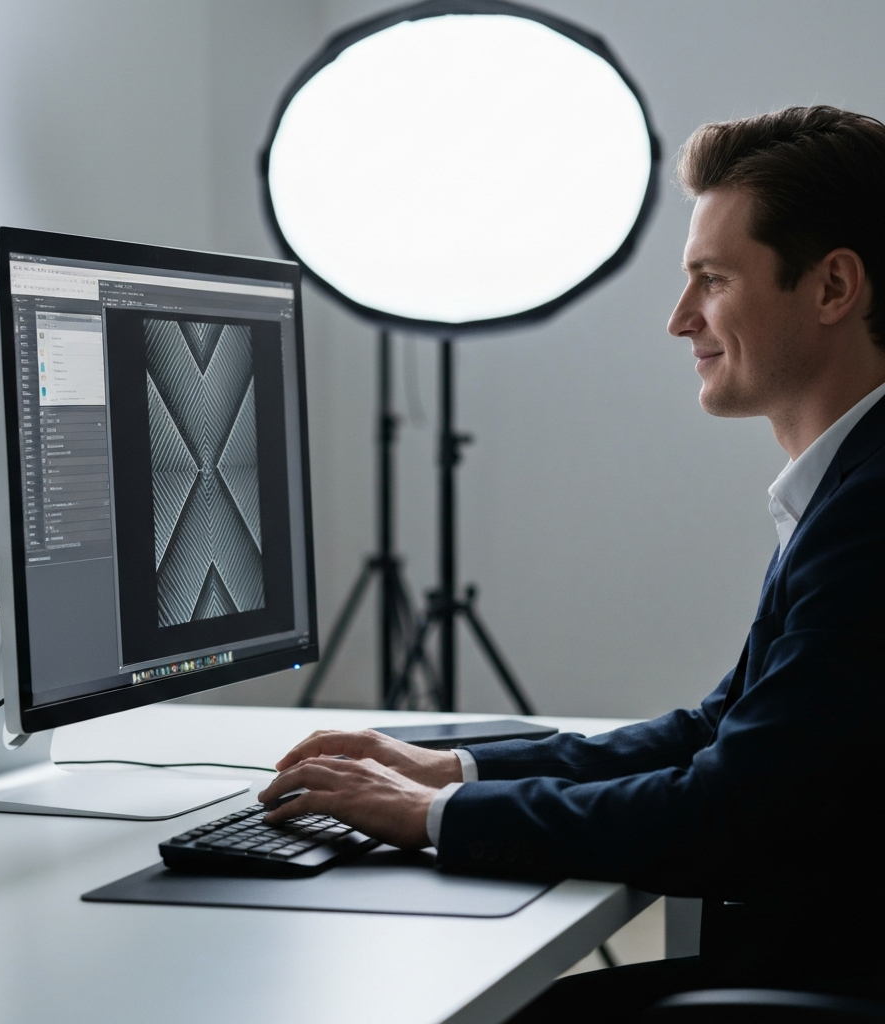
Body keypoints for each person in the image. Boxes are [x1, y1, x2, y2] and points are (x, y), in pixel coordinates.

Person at [258, 106, 885, 1020]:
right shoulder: (851, 483)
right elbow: (717, 730)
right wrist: (455, 773)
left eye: (712, 280)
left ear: (832, 287)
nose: (679, 320)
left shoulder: (870, 509)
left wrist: (430, 818)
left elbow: (730, 813)